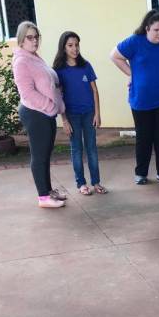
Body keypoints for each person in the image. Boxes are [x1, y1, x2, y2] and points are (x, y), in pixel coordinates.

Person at [110, 10, 159, 185]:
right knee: (144, 137)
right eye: (156, 30)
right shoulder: (135, 41)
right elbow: (115, 56)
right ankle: (141, 173)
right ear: (147, 28)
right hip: (141, 100)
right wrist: (131, 74)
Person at [12, 21, 68, 208]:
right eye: (30, 37)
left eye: (36, 37)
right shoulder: (21, 62)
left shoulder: (34, 57)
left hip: (45, 113)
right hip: (35, 113)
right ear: (21, 40)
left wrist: (55, 106)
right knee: (39, 156)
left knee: (45, 154)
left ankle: (48, 191)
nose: (34, 40)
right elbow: (27, 93)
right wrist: (50, 106)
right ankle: (43, 197)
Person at [53, 31, 107, 195]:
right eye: (70, 45)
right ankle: (81, 184)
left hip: (89, 113)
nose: (74, 48)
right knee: (76, 149)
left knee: (92, 148)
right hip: (72, 116)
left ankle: (96, 182)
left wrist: (97, 113)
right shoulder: (59, 70)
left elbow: (95, 90)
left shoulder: (86, 65)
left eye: (77, 45)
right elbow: (59, 96)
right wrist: (64, 120)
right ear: (63, 47)